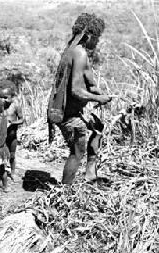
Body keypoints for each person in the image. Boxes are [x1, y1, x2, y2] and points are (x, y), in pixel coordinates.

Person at [48, 13, 112, 184]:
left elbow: (87, 82)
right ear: (89, 35)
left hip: (70, 110)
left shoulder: (71, 49)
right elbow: (76, 91)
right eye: (97, 38)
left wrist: (99, 93)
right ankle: (65, 190)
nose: (97, 42)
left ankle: (91, 174)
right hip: (69, 115)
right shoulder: (80, 53)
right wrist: (98, 99)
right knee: (77, 152)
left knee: (97, 127)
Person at [0, 79, 24, 180]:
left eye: (5, 98)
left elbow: (22, 120)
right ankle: (1, 175)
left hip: (12, 136)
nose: (3, 100)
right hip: (1, 137)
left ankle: (12, 172)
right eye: (0, 98)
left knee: (12, 155)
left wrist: (12, 123)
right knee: (2, 157)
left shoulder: (15, 106)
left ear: (12, 97)